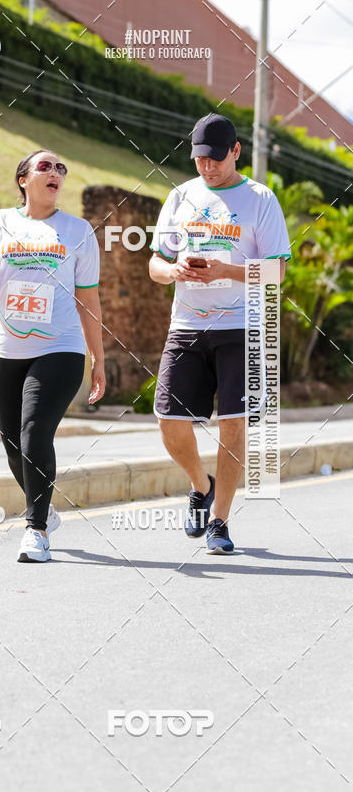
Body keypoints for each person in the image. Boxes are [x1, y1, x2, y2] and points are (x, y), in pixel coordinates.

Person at [148, 114, 290, 553]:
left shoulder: (259, 199)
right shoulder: (181, 196)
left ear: (235, 151)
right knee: (169, 422)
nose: (206, 167)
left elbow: (277, 271)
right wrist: (172, 270)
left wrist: (226, 271)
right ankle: (200, 483)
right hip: (187, 326)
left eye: (215, 159)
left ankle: (220, 521)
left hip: (242, 328)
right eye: (199, 159)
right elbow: (155, 264)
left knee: (233, 428)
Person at [0, 149, 105, 563]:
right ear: (23, 179)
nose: (56, 172)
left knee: (33, 432)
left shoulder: (78, 231)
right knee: (12, 443)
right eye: (45, 166)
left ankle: (36, 529)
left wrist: (98, 358)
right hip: (7, 348)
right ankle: (42, 504)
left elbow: (89, 300)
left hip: (60, 347)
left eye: (62, 168)